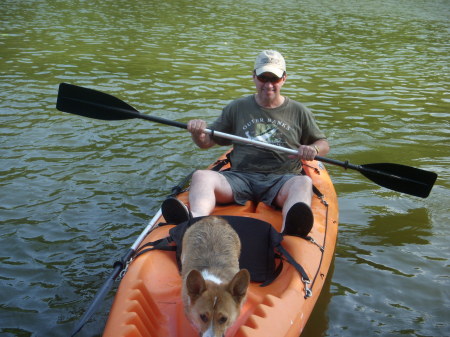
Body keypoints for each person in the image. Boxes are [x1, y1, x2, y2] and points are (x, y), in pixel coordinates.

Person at [162, 50, 329, 236]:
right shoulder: (237, 107)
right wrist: (197, 133)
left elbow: (323, 143)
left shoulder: (299, 111)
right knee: (201, 176)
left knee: (303, 182)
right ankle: (194, 218)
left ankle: (291, 233)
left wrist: (313, 148)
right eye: (263, 77)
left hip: (282, 179)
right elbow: (206, 142)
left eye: (274, 78)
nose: (268, 84)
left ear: (284, 79)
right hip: (240, 178)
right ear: (254, 77)